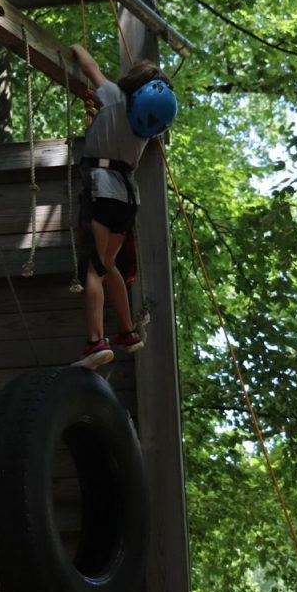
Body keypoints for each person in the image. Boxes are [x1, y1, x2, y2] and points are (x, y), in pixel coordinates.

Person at [69, 43, 177, 369]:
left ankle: (95, 342)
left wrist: (76, 48)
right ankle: (128, 332)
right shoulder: (146, 127)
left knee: (94, 269)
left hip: (101, 190)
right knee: (108, 264)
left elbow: (89, 67)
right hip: (128, 200)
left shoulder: (115, 97)